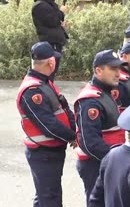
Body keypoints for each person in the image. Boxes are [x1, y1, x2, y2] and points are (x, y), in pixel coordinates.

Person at [16, 42, 76, 206]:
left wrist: (74, 131)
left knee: (46, 195)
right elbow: (48, 125)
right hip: (43, 153)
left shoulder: (44, 83)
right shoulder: (32, 90)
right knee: (50, 198)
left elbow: (63, 108)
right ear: (51, 63)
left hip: (50, 151)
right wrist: (73, 136)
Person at [74, 50, 127, 204]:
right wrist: (117, 160)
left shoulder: (105, 92)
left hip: (106, 160)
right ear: (98, 70)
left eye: (119, 68)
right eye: (113, 69)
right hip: (96, 164)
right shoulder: (90, 101)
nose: (118, 73)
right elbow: (89, 142)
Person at [32, 0, 68, 81]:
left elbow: (54, 21)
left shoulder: (49, 4)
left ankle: (49, 87)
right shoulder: (40, 6)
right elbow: (52, 21)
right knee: (49, 70)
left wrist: (61, 24)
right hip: (50, 42)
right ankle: (46, 88)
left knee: (53, 69)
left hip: (55, 41)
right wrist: (62, 12)